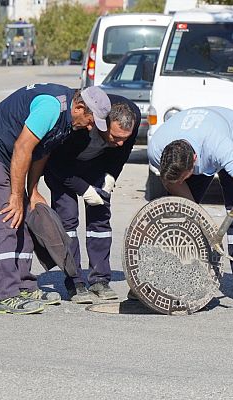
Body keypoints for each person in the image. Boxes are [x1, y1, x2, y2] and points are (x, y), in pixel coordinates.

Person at [0, 84, 111, 314]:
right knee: (5, 218)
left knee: (25, 216)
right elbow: (23, 148)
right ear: (80, 107)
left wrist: (31, 192)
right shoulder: (51, 107)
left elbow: (42, 152)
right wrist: (14, 195)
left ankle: (24, 286)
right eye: (91, 121)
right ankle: (5, 295)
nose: (90, 127)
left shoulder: (68, 118)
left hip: (9, 158)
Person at [147, 106, 233, 306]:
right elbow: (173, 183)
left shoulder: (219, 146)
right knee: (178, 211)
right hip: (198, 138)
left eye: (185, 176)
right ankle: (163, 275)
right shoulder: (156, 148)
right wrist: (195, 217)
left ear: (194, 162)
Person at [44, 95, 139, 303]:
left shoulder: (132, 118)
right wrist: (84, 189)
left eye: (124, 137)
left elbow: (124, 152)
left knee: (100, 218)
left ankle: (100, 280)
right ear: (102, 124)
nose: (120, 142)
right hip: (63, 167)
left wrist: (111, 175)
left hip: (97, 166)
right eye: (115, 137)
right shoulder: (81, 124)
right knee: (68, 220)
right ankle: (74, 281)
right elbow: (56, 164)